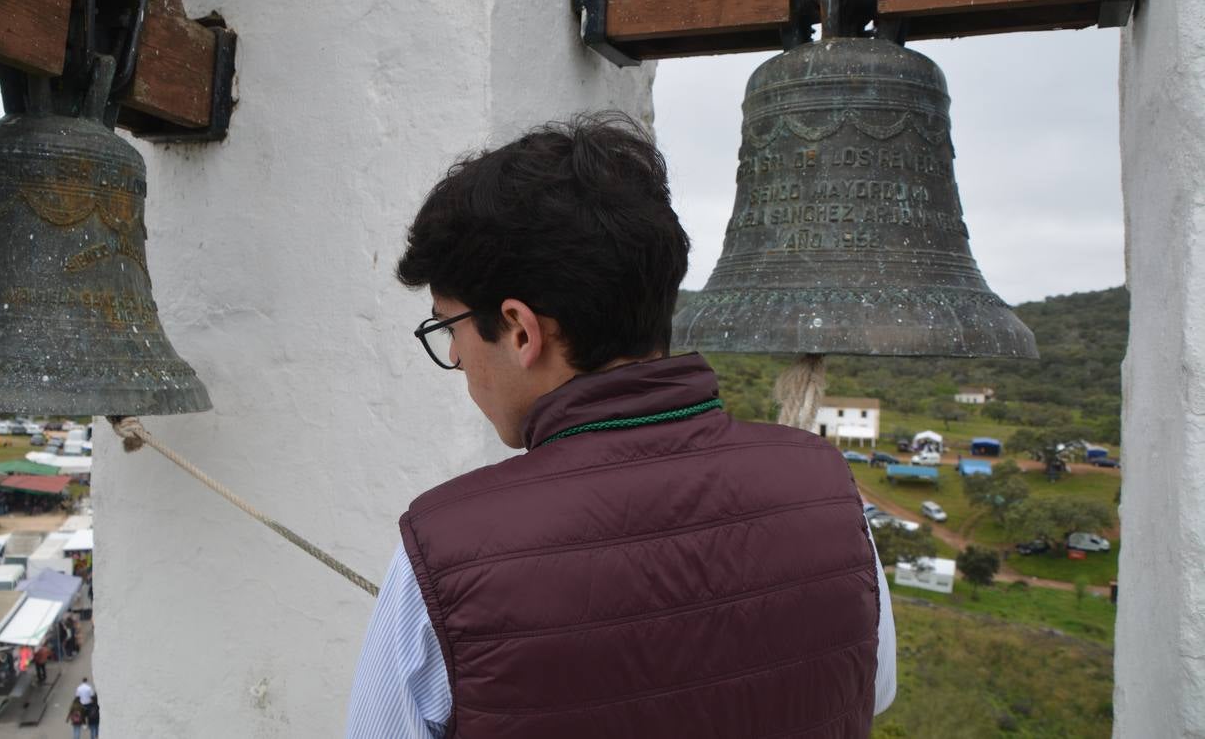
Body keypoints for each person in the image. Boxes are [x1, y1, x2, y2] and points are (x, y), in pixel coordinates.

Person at [344, 115, 895, 738]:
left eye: (451, 329)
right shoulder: (829, 492)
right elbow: (869, 690)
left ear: (521, 330)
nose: (457, 358)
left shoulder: (438, 552)